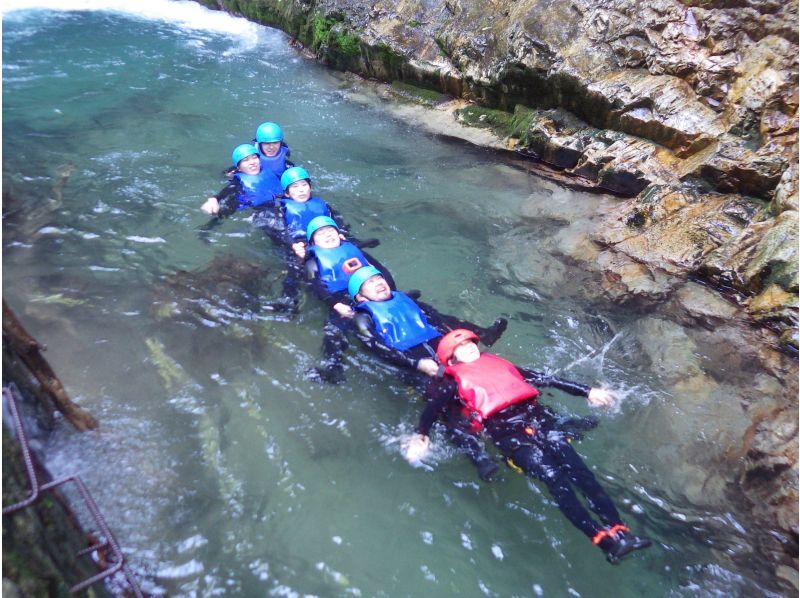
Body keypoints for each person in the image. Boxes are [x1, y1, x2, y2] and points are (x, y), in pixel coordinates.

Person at [403, 329, 652, 564]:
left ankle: (620, 530)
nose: (468, 348)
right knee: (555, 479)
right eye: (461, 347)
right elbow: (432, 411)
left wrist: (587, 391)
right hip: (509, 436)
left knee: (580, 472)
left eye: (470, 343)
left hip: (538, 422)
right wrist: (421, 435)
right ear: (451, 358)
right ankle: (603, 540)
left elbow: (545, 379)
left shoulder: (500, 365)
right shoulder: (452, 384)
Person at [345, 266, 508, 378]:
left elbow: (435, 319)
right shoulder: (362, 316)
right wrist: (416, 364)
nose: (378, 283)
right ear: (361, 297)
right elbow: (374, 345)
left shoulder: (403, 299)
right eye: (370, 282)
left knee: (478, 366)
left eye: (379, 278)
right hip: (409, 357)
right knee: (445, 386)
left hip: (436, 342)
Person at [200, 143, 283, 221]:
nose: (252, 162)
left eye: (254, 157)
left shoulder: (270, 172)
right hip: (254, 210)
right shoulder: (238, 183)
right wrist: (213, 200)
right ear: (239, 168)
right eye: (246, 160)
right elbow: (227, 192)